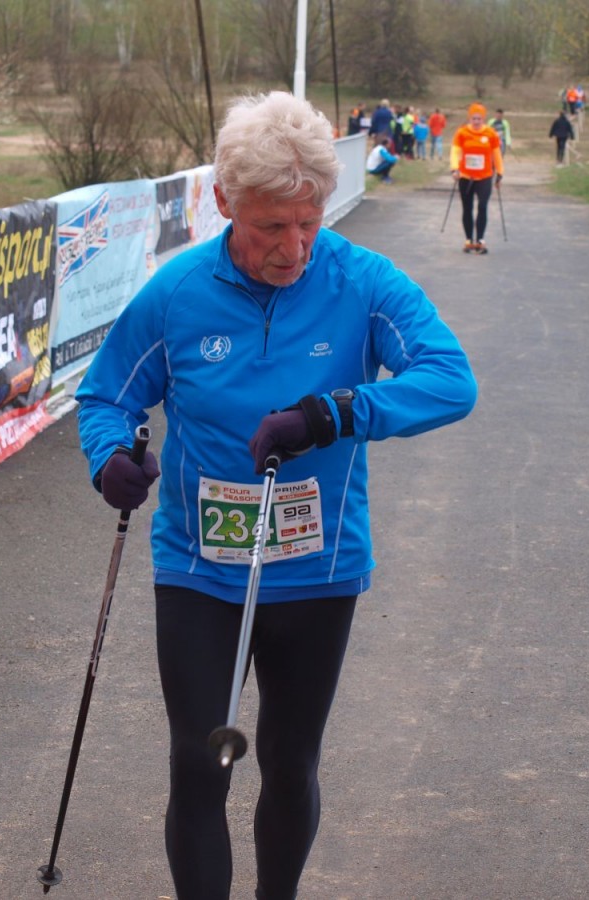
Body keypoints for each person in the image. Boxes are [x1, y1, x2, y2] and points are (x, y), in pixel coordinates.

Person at [75, 91, 476, 900]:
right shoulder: (178, 292)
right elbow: (106, 395)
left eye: (309, 222)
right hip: (201, 567)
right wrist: (109, 456)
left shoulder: (362, 282)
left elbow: (450, 381)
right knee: (200, 761)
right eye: (270, 227)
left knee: (290, 762)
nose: (293, 248)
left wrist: (335, 413)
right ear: (225, 203)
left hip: (316, 569)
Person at [450, 102, 504, 254]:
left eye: (479, 119)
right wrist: (454, 168)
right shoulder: (462, 133)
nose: (476, 121)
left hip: (485, 176)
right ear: (469, 118)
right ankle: (468, 240)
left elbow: (496, 154)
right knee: (467, 208)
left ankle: (480, 240)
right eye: (473, 118)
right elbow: (455, 152)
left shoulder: (490, 134)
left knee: (482, 206)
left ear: (483, 119)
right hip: (466, 177)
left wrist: (500, 173)